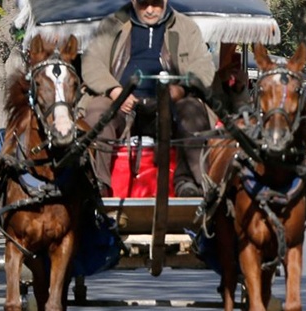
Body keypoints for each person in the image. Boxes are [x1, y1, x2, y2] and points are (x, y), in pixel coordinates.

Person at [81, 0, 215, 197]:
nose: (150, 10)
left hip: (169, 106)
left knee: (192, 110)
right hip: (121, 104)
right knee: (97, 111)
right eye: (144, 4)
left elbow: (204, 68)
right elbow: (92, 62)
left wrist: (181, 88)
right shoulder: (112, 24)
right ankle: (97, 184)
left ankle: (188, 183)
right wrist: (114, 91)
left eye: (156, 4)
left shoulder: (186, 27)